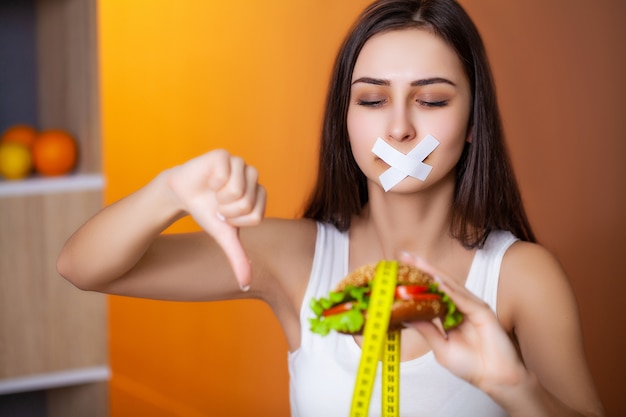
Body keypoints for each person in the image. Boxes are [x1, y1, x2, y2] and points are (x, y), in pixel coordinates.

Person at [57, 0, 605, 416]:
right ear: (344, 121)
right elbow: (80, 268)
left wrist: (515, 388)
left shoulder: (521, 276)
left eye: (432, 99)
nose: (399, 127)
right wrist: (169, 191)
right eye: (372, 99)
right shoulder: (294, 257)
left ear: (472, 122)